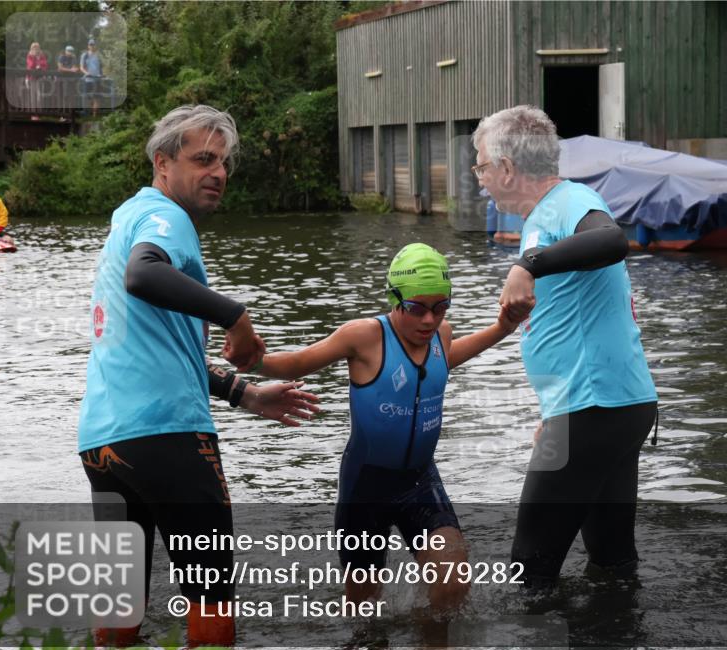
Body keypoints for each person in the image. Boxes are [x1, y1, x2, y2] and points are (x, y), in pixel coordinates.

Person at [78, 105, 319, 648]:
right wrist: (235, 315)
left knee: (118, 599)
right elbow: (146, 275)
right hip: (169, 437)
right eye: (203, 159)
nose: (218, 172)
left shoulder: (128, 215)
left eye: (224, 162)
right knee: (211, 592)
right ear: (163, 163)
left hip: (104, 443)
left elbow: (159, 346)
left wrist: (244, 392)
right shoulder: (168, 219)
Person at [255, 243, 521, 610]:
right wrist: (251, 359)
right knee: (363, 611)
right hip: (366, 487)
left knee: (453, 583)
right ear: (393, 298)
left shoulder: (440, 335)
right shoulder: (364, 336)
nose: (429, 320)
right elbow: (297, 363)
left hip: (419, 480)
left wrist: (501, 329)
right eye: (416, 308)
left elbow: (448, 358)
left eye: (440, 307)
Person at [473, 105, 659, 588]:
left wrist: (526, 265)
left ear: (508, 169)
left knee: (528, 572)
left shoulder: (569, 201)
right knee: (611, 561)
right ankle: (620, 645)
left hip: (593, 411)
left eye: (481, 166)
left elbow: (610, 241)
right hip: (611, 406)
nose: (480, 180)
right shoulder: (548, 214)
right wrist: (554, 411)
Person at [80, 38, 103, 116]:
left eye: (93, 45)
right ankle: (87, 113)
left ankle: (94, 115)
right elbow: (81, 67)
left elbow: (101, 67)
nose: (92, 46)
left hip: (97, 79)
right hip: (88, 79)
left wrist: (101, 74)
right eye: (90, 45)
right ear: (88, 46)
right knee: (87, 97)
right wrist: (87, 73)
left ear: (95, 46)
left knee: (96, 97)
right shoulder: (85, 55)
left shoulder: (98, 55)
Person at [25, 42, 48, 116]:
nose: (35, 49)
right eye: (34, 47)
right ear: (31, 48)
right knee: (33, 96)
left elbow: (45, 65)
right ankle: (33, 113)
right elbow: (30, 66)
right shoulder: (29, 56)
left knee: (39, 96)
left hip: (40, 78)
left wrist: (40, 66)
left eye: (37, 47)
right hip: (32, 77)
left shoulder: (42, 55)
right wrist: (34, 58)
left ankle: (39, 113)